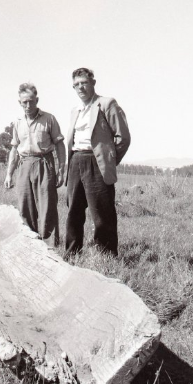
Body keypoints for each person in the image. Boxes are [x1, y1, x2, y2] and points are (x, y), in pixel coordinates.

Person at [65, 68, 131, 257]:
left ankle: (106, 256)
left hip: (97, 162)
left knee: (102, 212)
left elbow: (123, 137)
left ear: (93, 83)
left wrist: (109, 160)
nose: (80, 87)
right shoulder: (74, 110)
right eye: (76, 85)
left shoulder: (106, 104)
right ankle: (72, 254)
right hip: (76, 160)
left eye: (84, 83)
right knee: (73, 211)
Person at [4, 83, 65, 245]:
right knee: (25, 206)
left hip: (44, 163)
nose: (28, 105)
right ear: (20, 103)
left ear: (37, 100)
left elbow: (59, 144)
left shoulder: (49, 119)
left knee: (47, 206)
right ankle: (30, 244)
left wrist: (61, 170)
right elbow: (14, 149)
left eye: (31, 101)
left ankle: (50, 246)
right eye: (24, 102)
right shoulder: (17, 122)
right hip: (24, 165)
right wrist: (9, 174)